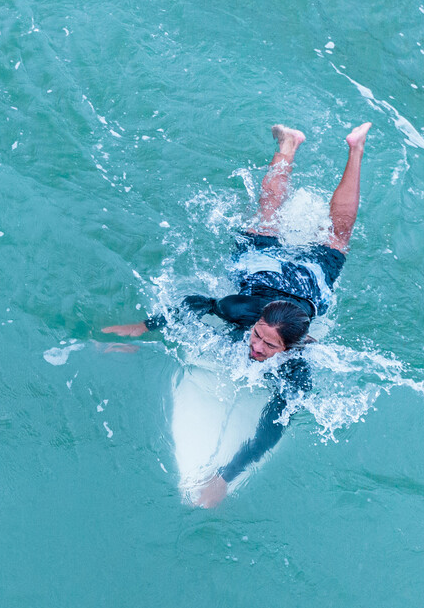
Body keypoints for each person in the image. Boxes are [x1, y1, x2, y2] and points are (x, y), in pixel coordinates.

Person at [102, 121, 372, 507]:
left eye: (268, 346)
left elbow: (272, 427)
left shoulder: (298, 365)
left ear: (292, 347)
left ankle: (354, 148)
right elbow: (194, 304)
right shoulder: (241, 311)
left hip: (309, 281)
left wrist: (225, 477)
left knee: (336, 235)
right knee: (271, 219)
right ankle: (289, 144)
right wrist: (143, 327)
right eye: (258, 335)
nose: (256, 346)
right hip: (263, 270)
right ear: (257, 321)